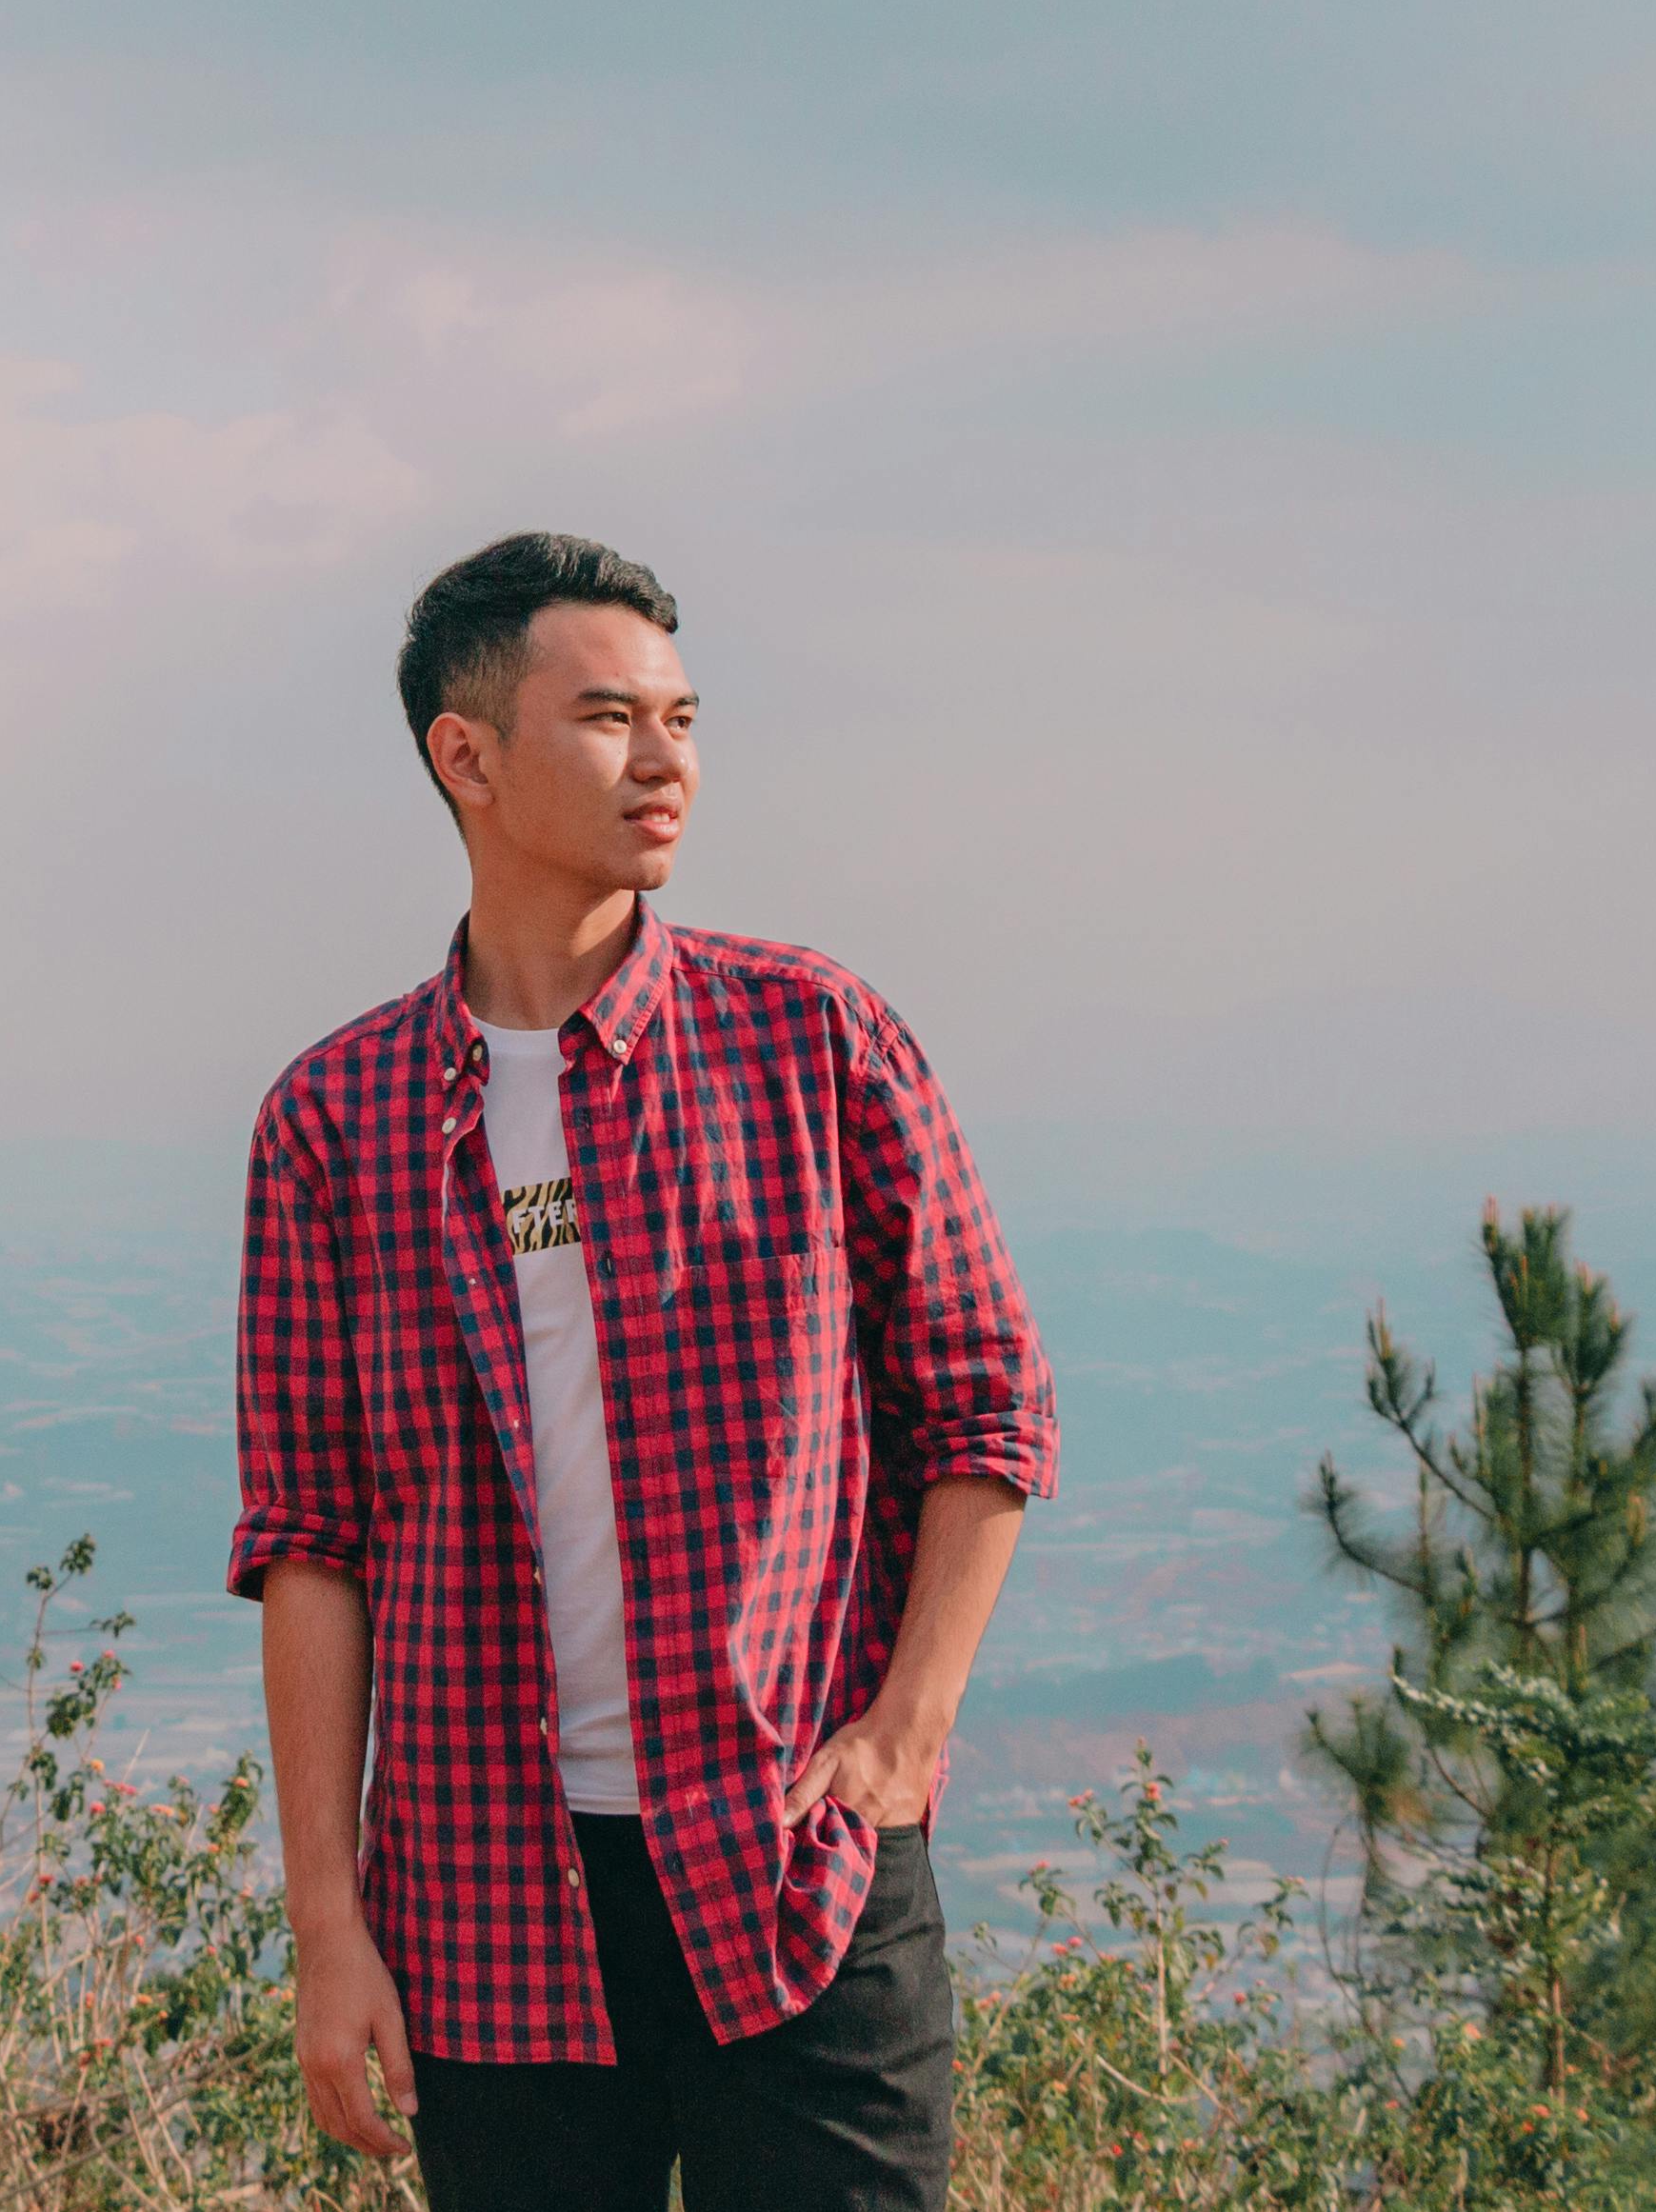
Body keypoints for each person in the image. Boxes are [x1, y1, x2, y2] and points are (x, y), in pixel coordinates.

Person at [229, 530, 1059, 2211]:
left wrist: (904, 1738)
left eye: (683, 713)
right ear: (466, 755)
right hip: (488, 1906)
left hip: (795, 1875)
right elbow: (312, 1539)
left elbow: (990, 1401)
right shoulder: (334, 1121)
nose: (670, 757)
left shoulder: (815, 1041)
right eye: (611, 715)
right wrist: (330, 1925)